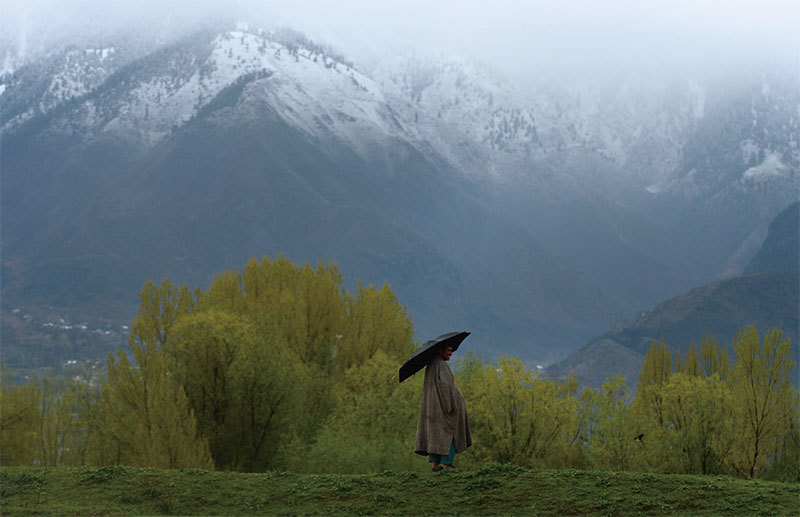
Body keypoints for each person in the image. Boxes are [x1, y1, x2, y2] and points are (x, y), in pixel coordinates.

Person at [414, 344, 471, 471]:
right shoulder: (442, 365)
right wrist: (451, 406)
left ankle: (435, 465)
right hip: (443, 409)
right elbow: (446, 387)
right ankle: (447, 465)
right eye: (449, 350)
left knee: (436, 435)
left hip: (433, 409)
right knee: (449, 435)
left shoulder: (432, 364)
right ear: (440, 350)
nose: (451, 353)